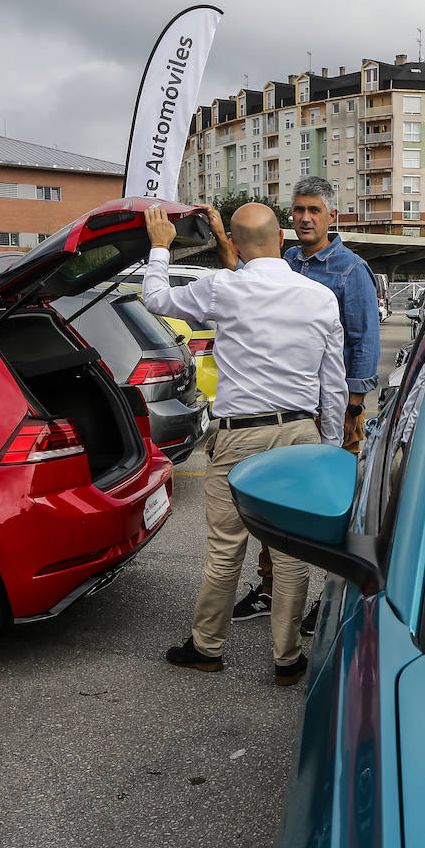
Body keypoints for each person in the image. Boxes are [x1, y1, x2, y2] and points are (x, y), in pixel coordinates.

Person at [142, 202, 345, 685]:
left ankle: (207, 647)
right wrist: (330, 446)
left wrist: (159, 247)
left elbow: (155, 299)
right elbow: (332, 384)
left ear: (233, 245)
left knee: (225, 548)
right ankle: (288, 658)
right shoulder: (319, 297)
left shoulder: (222, 288)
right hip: (300, 435)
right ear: (282, 240)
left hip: (239, 437)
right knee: (292, 552)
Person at [232, 176, 380, 632]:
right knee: (276, 501)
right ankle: (272, 587)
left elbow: (363, 342)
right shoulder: (285, 261)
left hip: (333, 408)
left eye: (314, 210)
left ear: (331, 216)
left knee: (332, 507)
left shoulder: (351, 270)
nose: (305, 218)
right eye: (298, 210)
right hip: (285, 401)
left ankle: (328, 599)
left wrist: (352, 409)